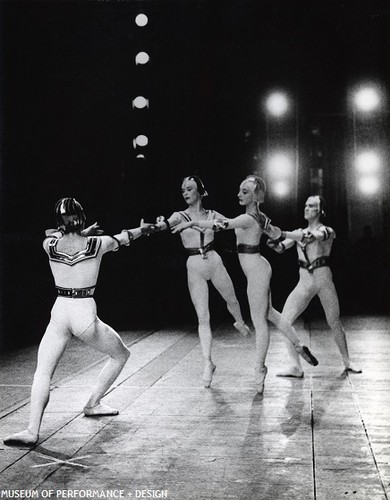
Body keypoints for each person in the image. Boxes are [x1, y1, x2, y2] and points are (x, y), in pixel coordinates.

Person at [3, 197, 149, 447]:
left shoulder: (50, 244)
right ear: (80, 218)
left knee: (43, 371)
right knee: (121, 354)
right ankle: (93, 403)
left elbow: (52, 232)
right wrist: (144, 229)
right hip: (84, 312)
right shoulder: (97, 243)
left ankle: (31, 430)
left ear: (60, 222)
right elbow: (127, 236)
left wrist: (75, 230)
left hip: (60, 311)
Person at [171, 175, 318, 394]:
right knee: (270, 313)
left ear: (256, 196)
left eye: (245, 192)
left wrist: (192, 222)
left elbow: (223, 224)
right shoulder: (259, 217)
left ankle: (260, 369)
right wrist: (283, 239)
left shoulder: (250, 218)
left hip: (257, 271)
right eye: (240, 190)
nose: (239, 194)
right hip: (259, 267)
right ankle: (297, 344)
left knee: (260, 321)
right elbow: (276, 234)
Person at [142, 175, 251, 388]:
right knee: (203, 317)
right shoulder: (179, 215)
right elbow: (165, 224)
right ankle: (207, 362)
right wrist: (155, 226)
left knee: (233, 300)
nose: (185, 192)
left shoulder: (212, 214)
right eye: (183, 189)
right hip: (194, 265)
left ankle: (239, 321)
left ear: (199, 192)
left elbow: (231, 224)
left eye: (189, 188)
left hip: (213, 260)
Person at [267, 195, 362, 377]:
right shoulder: (298, 232)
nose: (307, 208)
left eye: (311, 206)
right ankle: (295, 366)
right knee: (284, 321)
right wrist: (271, 238)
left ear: (320, 211)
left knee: (334, 321)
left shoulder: (327, 231)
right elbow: (280, 248)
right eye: (306, 205)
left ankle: (347, 361)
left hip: (323, 279)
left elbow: (311, 237)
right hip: (304, 282)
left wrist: (283, 233)